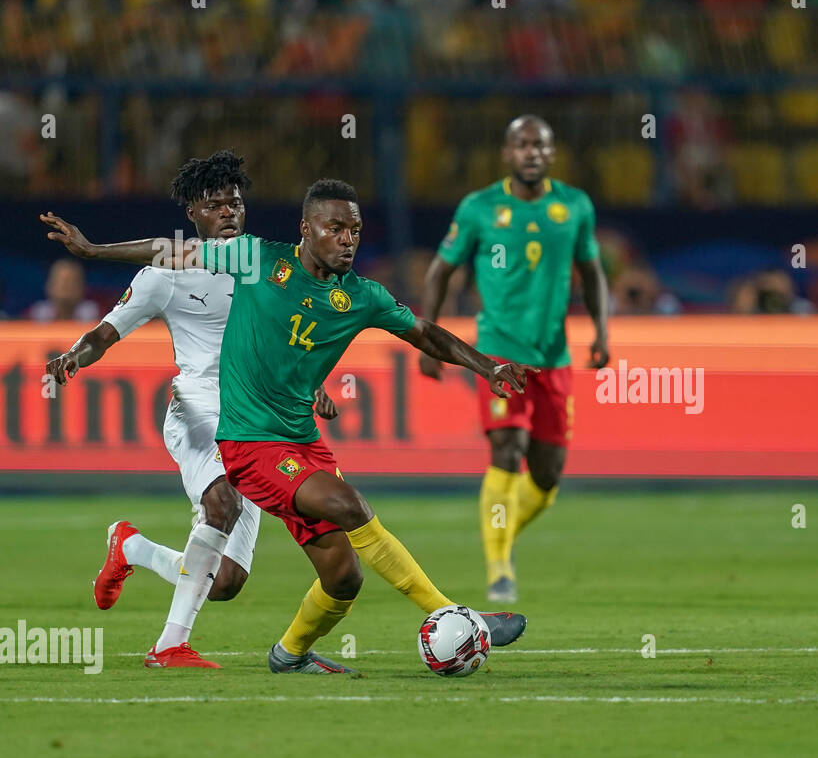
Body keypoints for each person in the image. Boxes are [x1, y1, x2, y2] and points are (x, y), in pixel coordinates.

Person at [44, 178, 532, 674]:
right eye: (335, 228)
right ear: (306, 229)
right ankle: (449, 612)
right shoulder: (255, 259)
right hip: (245, 440)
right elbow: (165, 251)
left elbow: (425, 334)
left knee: (338, 577)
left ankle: (289, 653)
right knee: (345, 505)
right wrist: (91, 249)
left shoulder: (362, 296)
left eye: (355, 231)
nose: (347, 239)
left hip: (300, 440)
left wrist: (486, 366)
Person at [42, 150, 315, 668]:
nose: (229, 214)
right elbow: (106, 332)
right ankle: (169, 645)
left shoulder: (264, 265)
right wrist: (74, 357)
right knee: (223, 505)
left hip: (259, 414)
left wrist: (308, 383)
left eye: (235, 203)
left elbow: (288, 339)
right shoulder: (164, 273)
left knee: (226, 582)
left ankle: (132, 549)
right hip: (198, 405)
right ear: (193, 215)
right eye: (215, 206)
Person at [420, 115, 610, 604]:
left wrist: (602, 332)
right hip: (498, 353)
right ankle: (498, 566)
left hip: (555, 356)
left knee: (547, 475)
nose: (532, 153)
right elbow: (441, 270)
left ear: (551, 153)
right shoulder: (480, 209)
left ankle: (499, 534)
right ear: (507, 152)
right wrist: (427, 336)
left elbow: (592, 274)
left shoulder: (574, 206)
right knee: (507, 449)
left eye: (541, 146)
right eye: (523, 145)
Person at [29, 259, 100, 322]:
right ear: (49, 285)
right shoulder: (36, 316)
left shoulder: (94, 317)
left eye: (73, 282)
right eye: (62, 282)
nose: (67, 287)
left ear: (83, 286)